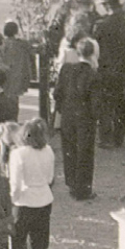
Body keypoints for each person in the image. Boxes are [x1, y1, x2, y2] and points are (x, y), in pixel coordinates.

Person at [8, 118, 54, 249]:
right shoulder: (48, 151)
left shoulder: (18, 154)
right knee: (39, 243)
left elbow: (16, 183)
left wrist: (12, 200)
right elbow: (50, 178)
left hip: (24, 202)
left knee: (17, 243)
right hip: (44, 199)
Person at [54, 37, 100, 200]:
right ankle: (83, 188)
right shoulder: (93, 75)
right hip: (85, 118)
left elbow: (57, 93)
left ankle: (72, 183)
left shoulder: (66, 69)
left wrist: (61, 109)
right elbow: (95, 103)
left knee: (69, 149)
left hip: (68, 115)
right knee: (85, 152)